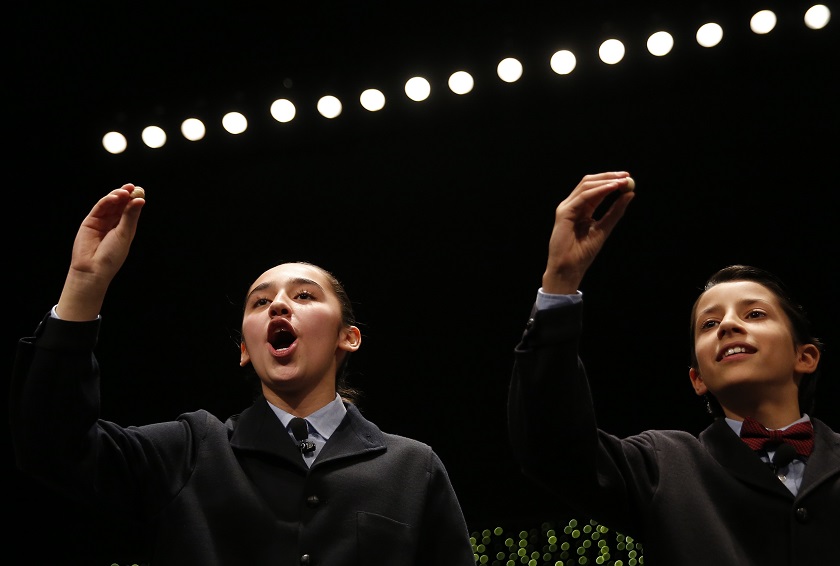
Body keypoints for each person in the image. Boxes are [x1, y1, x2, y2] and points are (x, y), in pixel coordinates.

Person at [10, 184, 477, 566]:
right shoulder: (190, 449)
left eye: (305, 296)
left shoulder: (413, 468)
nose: (278, 304)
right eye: (260, 302)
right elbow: (54, 444)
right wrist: (84, 284)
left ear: (348, 337)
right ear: (243, 351)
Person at [507, 171, 840, 565]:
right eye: (710, 324)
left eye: (754, 313)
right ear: (697, 379)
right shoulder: (662, 464)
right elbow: (551, 445)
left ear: (806, 357)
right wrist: (561, 281)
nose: (730, 325)